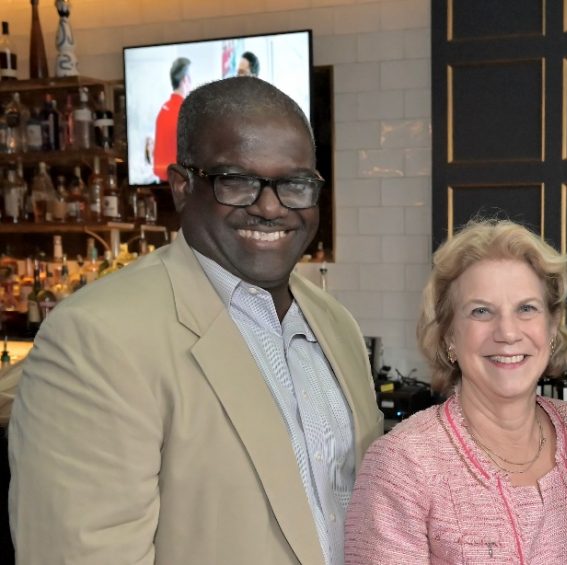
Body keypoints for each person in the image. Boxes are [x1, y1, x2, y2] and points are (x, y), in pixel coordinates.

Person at [9, 77, 384, 564]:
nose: (269, 207)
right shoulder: (98, 337)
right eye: (237, 180)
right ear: (182, 187)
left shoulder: (336, 324)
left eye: (294, 184)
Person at [344, 219, 567, 564]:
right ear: (448, 336)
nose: (507, 332)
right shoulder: (403, 463)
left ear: (552, 327)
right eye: (481, 311)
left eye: (526, 308)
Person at [152, 56, 190, 182]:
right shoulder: (186, 111)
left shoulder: (163, 110)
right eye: (190, 78)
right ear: (185, 80)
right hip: (181, 184)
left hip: (163, 182)